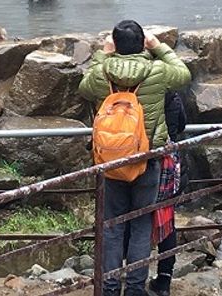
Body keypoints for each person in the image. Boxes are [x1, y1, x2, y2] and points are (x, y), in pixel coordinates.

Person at [79, 20, 191, 296]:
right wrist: (159, 46)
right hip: (147, 158)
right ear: (142, 43)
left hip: (111, 162)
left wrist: (102, 54)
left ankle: (109, 287)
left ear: (114, 45)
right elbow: (184, 74)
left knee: (113, 224)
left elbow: (84, 87)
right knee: (142, 222)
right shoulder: (157, 71)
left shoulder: (101, 72)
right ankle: (135, 289)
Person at [148, 89, 188, 296]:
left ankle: (131, 278)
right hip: (167, 161)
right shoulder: (170, 92)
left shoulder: (132, 86)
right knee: (166, 217)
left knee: (136, 218)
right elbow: (181, 124)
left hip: (138, 157)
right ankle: (164, 280)